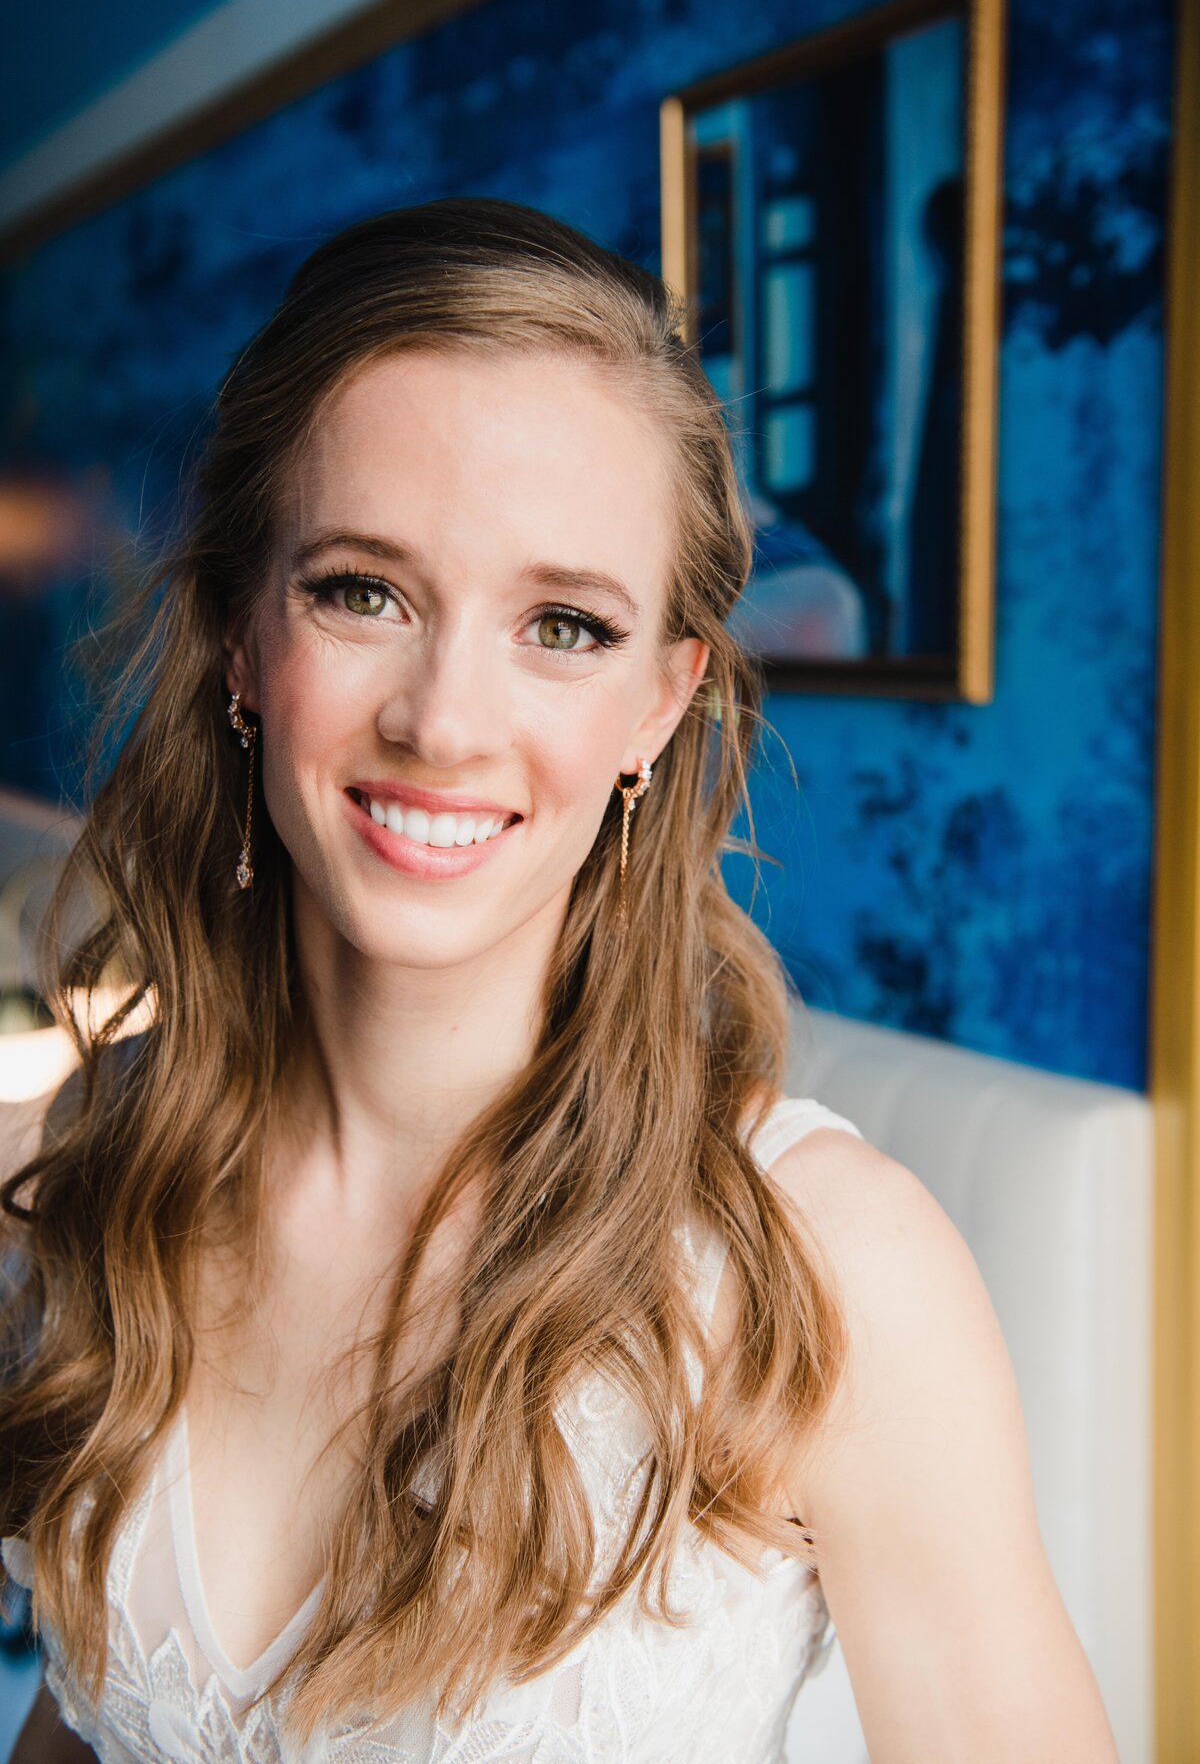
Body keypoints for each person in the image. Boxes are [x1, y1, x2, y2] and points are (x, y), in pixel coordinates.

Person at [0, 198, 1116, 1763]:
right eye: (362, 591)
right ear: (244, 640)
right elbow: (95, 1704)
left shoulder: (824, 1274)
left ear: (667, 703)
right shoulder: (106, 1169)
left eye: (566, 624)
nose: (446, 720)